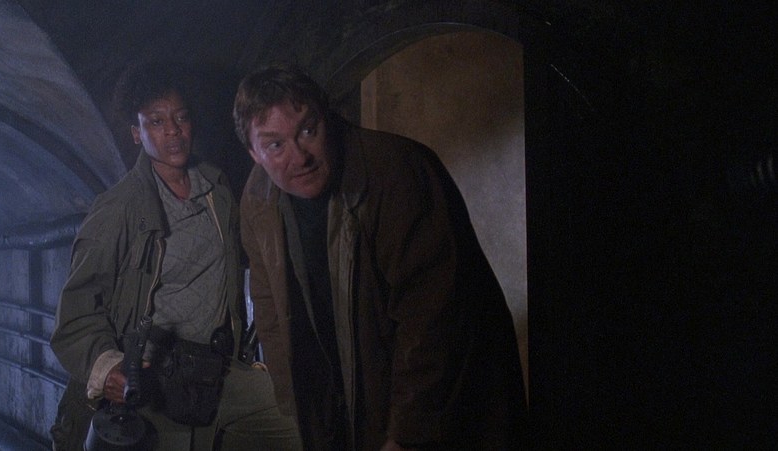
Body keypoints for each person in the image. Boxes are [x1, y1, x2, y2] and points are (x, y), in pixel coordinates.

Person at [233, 63, 528, 450]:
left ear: (326, 118)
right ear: (254, 153)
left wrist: (407, 435)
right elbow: (270, 307)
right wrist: (297, 407)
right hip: (347, 402)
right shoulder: (258, 198)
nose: (299, 157)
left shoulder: (395, 171)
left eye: (307, 130)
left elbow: (432, 318)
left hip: (439, 405)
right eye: (275, 145)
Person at [49, 61, 302, 451]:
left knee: (302, 425)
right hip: (154, 378)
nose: (173, 130)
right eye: (156, 121)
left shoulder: (215, 187)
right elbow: (75, 317)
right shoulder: (118, 210)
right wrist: (107, 366)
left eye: (181, 117)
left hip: (216, 370)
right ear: (137, 133)